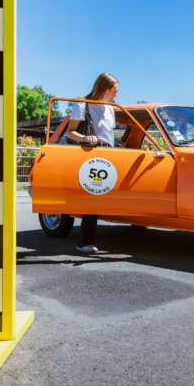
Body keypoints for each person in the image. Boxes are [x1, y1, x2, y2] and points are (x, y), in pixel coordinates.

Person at [66, 72, 120, 253]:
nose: (116, 94)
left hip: (108, 152)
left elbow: (110, 135)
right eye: (115, 90)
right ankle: (84, 242)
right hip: (91, 153)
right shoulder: (83, 104)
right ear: (105, 88)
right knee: (93, 194)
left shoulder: (110, 108)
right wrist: (86, 138)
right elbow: (70, 132)